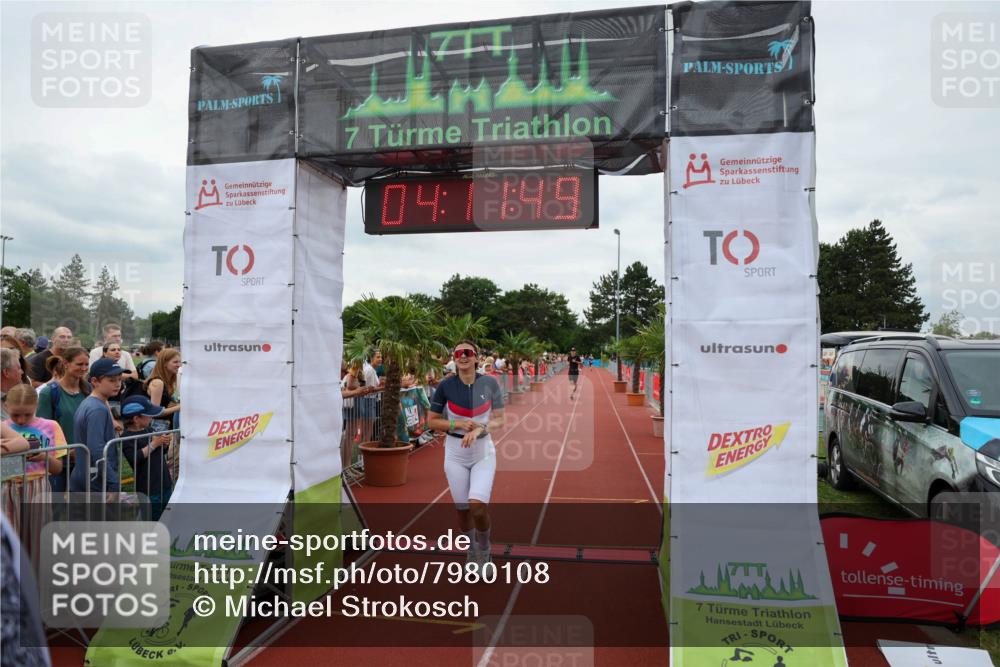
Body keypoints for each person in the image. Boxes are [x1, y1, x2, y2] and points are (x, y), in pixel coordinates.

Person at [426, 341, 505, 573]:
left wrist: (481, 428)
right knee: (462, 509)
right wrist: (456, 423)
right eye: (459, 353)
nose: (463, 356)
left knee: (477, 507)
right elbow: (431, 421)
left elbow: (500, 419)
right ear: (454, 357)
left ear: (476, 357)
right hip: (455, 452)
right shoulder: (445, 385)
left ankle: (484, 548)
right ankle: (471, 549)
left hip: (483, 451)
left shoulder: (490, 383)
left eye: (468, 353)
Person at [2, 385, 65, 549]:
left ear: (36, 406)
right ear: (6, 407)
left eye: (27, 414)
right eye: (15, 415)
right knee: (9, 538)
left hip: (38, 486)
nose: (21, 420)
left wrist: (44, 457)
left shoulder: (51, 426)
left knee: (38, 537)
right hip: (7, 487)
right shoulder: (3, 428)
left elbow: (58, 468)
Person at [35, 348, 91, 492]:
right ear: (66, 363)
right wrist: (65, 452)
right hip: (59, 463)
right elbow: (43, 430)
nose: (84, 368)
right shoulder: (50, 392)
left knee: (81, 507)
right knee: (56, 508)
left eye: (86, 364)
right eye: (79, 364)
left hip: (84, 460)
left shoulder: (88, 389)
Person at [70, 359, 124, 494]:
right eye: (111, 380)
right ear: (95, 381)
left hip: (87, 474)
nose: (118, 384)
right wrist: (112, 481)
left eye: (119, 379)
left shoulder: (90, 403)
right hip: (95, 479)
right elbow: (97, 448)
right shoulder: (97, 409)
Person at [120, 396, 173, 520]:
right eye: (148, 415)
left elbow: (160, 451)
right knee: (152, 518)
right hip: (149, 488)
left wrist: (164, 444)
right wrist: (154, 444)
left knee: (167, 515)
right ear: (136, 419)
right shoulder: (127, 437)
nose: (151, 418)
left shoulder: (150, 429)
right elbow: (135, 458)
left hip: (164, 482)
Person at [144, 349, 181, 430]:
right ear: (164, 363)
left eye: (179, 362)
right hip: (157, 427)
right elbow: (155, 412)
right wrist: (179, 407)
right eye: (175, 362)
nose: (179, 365)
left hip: (164, 426)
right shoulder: (158, 383)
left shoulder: (167, 382)